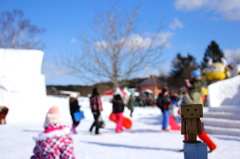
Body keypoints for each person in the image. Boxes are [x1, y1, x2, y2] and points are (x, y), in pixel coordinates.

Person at [182, 69, 217, 153]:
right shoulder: (192, 91)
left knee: (199, 132)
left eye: (192, 76)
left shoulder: (196, 92)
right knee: (187, 132)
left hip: (194, 114)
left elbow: (193, 103)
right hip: (189, 113)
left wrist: (186, 96)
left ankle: (212, 146)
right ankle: (187, 147)